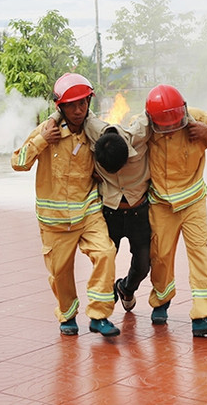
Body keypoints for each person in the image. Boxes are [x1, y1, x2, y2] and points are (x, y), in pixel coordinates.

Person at [11, 73, 120, 337]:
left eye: (83, 103)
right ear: (61, 107)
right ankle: (67, 314)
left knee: (105, 252)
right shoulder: (47, 132)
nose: (79, 110)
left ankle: (99, 315)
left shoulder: (94, 134)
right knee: (60, 272)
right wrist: (41, 141)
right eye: (72, 105)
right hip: (55, 219)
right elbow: (18, 162)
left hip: (88, 212)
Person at [142, 84, 207, 337]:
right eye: (165, 125)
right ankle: (161, 300)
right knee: (160, 255)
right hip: (161, 204)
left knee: (199, 252)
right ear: (152, 120)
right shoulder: (143, 125)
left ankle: (204, 316)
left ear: (183, 110)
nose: (172, 128)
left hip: (193, 200)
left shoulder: (197, 117)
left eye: (176, 122)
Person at [47, 109, 152, 314]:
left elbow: (153, 114)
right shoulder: (95, 131)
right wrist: (53, 118)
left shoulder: (140, 132)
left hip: (138, 212)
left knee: (143, 265)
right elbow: (80, 110)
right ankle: (103, 305)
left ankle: (126, 288)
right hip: (110, 213)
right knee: (105, 259)